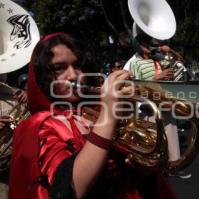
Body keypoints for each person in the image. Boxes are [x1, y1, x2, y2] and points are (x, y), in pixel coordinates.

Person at [9, 33, 177, 199]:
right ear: (43, 77)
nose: (74, 75)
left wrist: (144, 167)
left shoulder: (97, 108)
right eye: (60, 68)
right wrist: (109, 115)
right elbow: (70, 190)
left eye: (77, 65)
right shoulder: (40, 124)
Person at [129, 33, 192, 179]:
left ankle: (174, 166)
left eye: (148, 41)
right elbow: (137, 86)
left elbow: (182, 62)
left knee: (172, 136)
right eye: (143, 42)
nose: (147, 44)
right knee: (154, 141)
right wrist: (157, 77)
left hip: (164, 103)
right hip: (149, 107)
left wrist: (170, 51)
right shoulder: (135, 63)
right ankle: (157, 170)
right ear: (137, 45)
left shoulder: (158, 58)